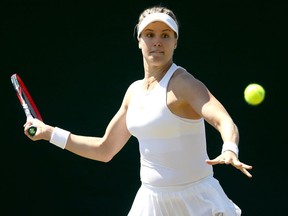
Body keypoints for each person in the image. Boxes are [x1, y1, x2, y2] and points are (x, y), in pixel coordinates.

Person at [24, 5, 252, 216]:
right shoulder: (133, 92)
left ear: (175, 42)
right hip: (150, 203)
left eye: (165, 35)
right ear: (139, 40)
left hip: (196, 201)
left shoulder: (184, 84)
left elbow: (223, 119)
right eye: (150, 34)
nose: (157, 42)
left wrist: (230, 148)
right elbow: (105, 149)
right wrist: (49, 133)